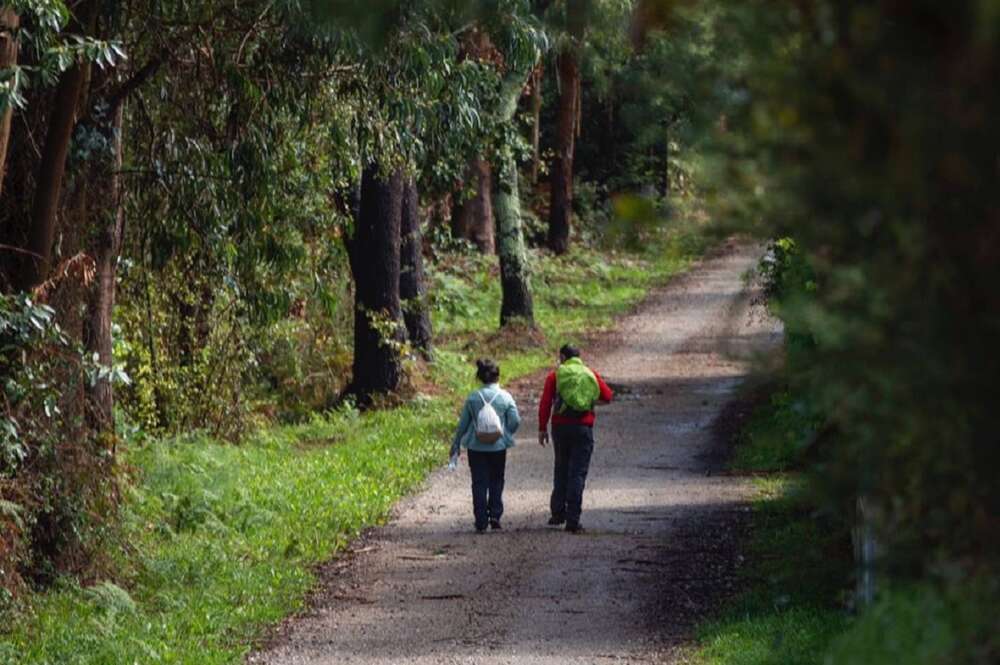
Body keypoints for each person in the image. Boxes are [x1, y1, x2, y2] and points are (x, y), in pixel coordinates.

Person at [538, 344, 613, 533]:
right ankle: (573, 519)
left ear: (562, 357)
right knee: (577, 473)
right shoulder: (590, 373)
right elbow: (608, 396)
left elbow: (546, 403)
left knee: (561, 467)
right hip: (583, 427)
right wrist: (588, 401)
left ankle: (557, 513)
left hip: (560, 427)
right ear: (579, 357)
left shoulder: (555, 376)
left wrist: (542, 428)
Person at [450, 358, 521, 533]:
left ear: (480, 377)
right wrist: (506, 434)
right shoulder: (505, 397)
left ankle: (481, 520)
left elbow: (463, 424)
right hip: (498, 447)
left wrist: (456, 443)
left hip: (476, 447)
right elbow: (515, 420)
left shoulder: (473, 397)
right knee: (497, 480)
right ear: (498, 376)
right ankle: (495, 515)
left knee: (479, 482)